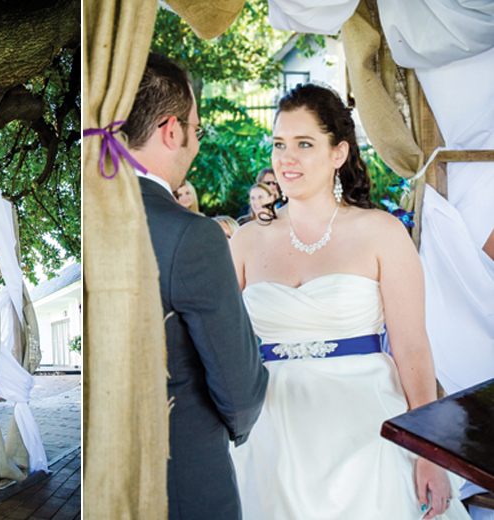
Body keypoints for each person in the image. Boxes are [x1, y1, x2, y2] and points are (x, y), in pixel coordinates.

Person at [228, 83, 469, 520]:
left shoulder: (381, 233)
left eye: (304, 144)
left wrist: (430, 451)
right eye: (279, 144)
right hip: (267, 429)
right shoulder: (245, 241)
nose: (286, 158)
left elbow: (413, 348)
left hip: (366, 421)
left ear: (338, 152)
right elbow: (223, 346)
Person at [121, 52, 268, 520]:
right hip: (181, 481)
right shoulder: (190, 234)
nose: (197, 143)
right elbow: (239, 388)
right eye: (197, 130)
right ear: (171, 130)